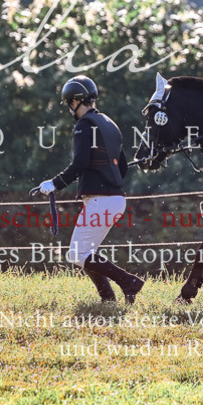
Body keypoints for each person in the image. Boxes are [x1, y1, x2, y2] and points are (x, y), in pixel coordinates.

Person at [34, 75, 144, 304]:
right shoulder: (109, 124)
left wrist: (54, 183)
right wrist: (103, 172)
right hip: (115, 200)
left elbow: (80, 164)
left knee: (76, 254)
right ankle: (108, 298)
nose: (69, 109)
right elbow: (122, 168)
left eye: (69, 104)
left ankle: (128, 282)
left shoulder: (84, 126)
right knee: (85, 252)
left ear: (75, 101)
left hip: (100, 201)